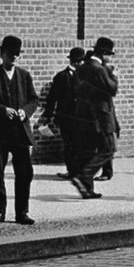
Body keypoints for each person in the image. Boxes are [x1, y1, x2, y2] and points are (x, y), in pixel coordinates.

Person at [0, 34, 40, 225]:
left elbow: (33, 100)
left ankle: (22, 212)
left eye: (17, 55)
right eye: (10, 54)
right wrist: (2, 110)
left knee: (24, 173)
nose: (14, 58)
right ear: (2, 54)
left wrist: (25, 112)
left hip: (20, 133)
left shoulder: (24, 75)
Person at [69, 36, 118, 198]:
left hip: (85, 116)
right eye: (109, 54)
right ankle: (84, 175)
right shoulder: (100, 69)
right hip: (102, 117)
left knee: (89, 151)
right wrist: (113, 75)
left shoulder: (82, 68)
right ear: (103, 53)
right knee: (109, 149)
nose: (110, 58)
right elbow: (112, 90)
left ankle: (87, 189)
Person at [41, 46, 84, 180]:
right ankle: (71, 171)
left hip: (82, 118)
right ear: (72, 61)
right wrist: (47, 116)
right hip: (65, 118)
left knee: (80, 145)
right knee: (69, 145)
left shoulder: (85, 77)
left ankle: (79, 172)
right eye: (77, 60)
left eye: (81, 61)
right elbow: (52, 98)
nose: (79, 63)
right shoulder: (61, 77)